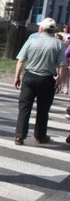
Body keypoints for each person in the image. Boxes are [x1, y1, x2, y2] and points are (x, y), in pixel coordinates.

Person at [14, 17, 67, 145]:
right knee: (43, 109)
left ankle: (19, 136)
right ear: (53, 30)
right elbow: (62, 65)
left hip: (29, 77)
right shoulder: (58, 44)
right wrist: (59, 80)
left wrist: (17, 76)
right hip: (46, 79)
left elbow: (21, 60)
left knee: (24, 108)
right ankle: (40, 136)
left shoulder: (31, 40)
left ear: (41, 28)